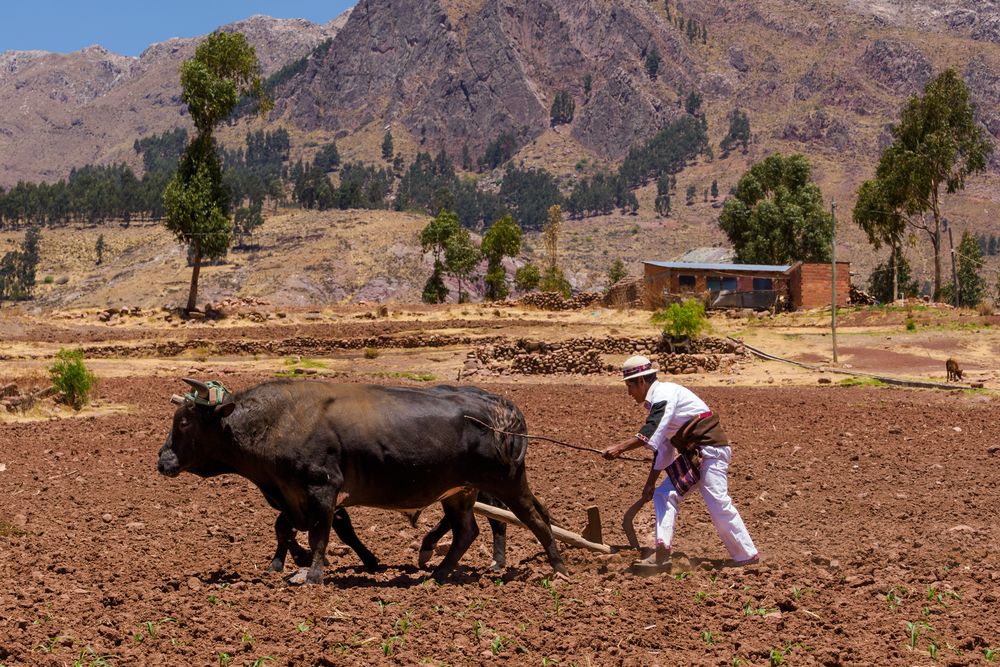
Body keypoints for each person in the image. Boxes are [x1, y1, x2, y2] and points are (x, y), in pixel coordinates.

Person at [602, 355, 759, 569]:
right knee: (663, 494)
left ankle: (747, 557)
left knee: (718, 502)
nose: (629, 393)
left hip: (710, 452)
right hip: (694, 457)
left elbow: (653, 430)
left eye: (630, 386)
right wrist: (650, 483)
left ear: (640, 381)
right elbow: (664, 448)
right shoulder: (658, 401)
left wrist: (620, 448)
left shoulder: (664, 395)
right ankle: (662, 552)